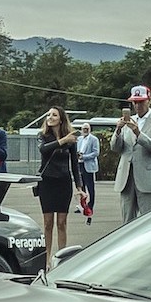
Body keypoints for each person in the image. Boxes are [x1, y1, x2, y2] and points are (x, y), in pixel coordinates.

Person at [36, 106, 85, 269]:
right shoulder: (43, 136)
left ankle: (62, 260)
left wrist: (79, 187)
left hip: (64, 182)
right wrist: (63, 141)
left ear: (61, 119)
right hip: (47, 182)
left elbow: (74, 164)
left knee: (62, 222)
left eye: (54, 115)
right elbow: (44, 150)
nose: (50, 117)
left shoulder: (71, 138)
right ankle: (46, 260)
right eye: (49, 115)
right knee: (48, 222)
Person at [111, 85, 151, 223]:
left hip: (147, 179)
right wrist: (117, 131)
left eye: (141, 102)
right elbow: (116, 148)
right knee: (127, 221)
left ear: (149, 100)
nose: (138, 106)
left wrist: (138, 133)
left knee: (149, 221)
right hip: (127, 177)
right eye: (135, 102)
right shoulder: (128, 121)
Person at [75, 122, 99, 224]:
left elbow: (96, 152)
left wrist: (84, 157)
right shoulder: (79, 139)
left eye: (87, 129)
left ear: (90, 129)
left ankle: (90, 206)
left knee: (90, 187)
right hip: (79, 165)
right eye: (83, 128)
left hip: (88, 166)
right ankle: (82, 206)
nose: (85, 130)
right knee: (81, 187)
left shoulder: (94, 139)